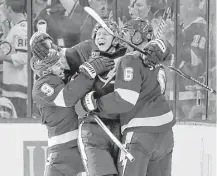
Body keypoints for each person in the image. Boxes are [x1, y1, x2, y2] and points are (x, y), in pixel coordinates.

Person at [79, 18, 176, 176]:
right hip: (166, 135)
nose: (122, 38)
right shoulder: (157, 59)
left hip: (141, 135)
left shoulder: (130, 59)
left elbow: (125, 100)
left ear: (137, 37)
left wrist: (96, 102)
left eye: (127, 33)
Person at [30, 32, 115, 176]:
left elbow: (77, 52)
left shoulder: (64, 76)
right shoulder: (41, 86)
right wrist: (89, 71)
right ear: (46, 69)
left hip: (84, 147)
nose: (61, 67)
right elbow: (67, 97)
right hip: (61, 157)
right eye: (57, 65)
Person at [76, 19, 127, 176]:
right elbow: (74, 100)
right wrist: (83, 104)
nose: (100, 37)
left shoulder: (126, 62)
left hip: (122, 131)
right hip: (94, 129)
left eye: (105, 34)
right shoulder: (88, 65)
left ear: (116, 38)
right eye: (98, 34)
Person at [0, 0, 27, 118]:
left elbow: (23, 57)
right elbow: (9, 48)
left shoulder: (21, 30)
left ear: (9, 9)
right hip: (11, 89)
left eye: (3, 6)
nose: (2, 8)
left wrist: (2, 57)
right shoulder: (16, 27)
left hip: (17, 91)